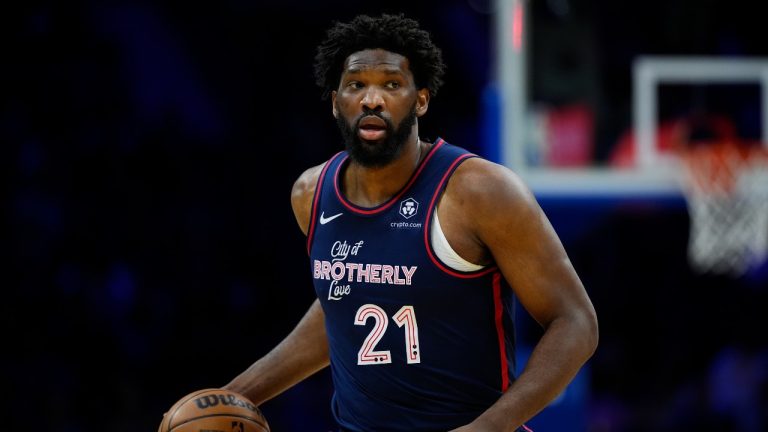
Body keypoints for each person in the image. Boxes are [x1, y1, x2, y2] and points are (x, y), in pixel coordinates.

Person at [224, 13, 598, 431]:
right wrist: (233, 397)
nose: (372, 100)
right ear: (335, 102)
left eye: (391, 84)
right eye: (356, 85)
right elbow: (342, 308)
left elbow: (576, 322)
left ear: (420, 100)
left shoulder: (479, 191)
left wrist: (490, 427)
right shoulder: (311, 194)